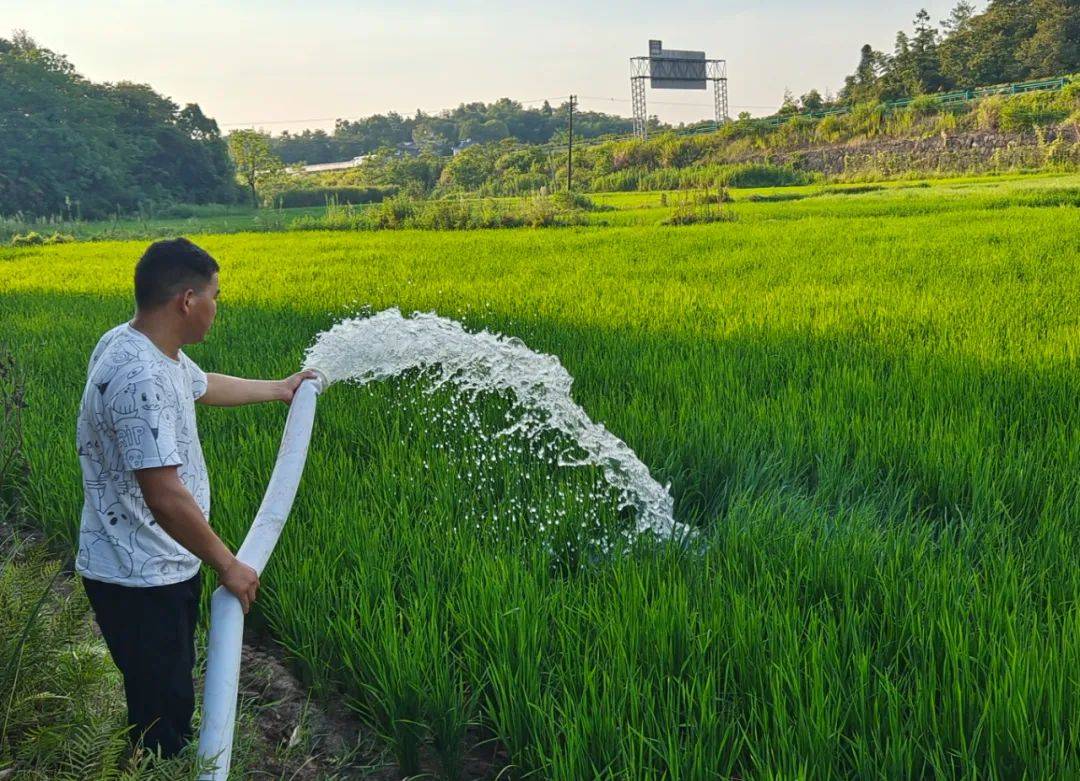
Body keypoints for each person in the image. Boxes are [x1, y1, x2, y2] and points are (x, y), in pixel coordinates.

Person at [75, 237, 315, 758]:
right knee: (163, 711)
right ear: (187, 300)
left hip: (142, 564)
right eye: (215, 295)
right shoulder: (141, 377)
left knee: (158, 690)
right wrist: (228, 564)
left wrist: (281, 388)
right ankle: (156, 765)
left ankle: (149, 755)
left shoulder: (138, 345)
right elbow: (163, 495)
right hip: (140, 576)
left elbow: (202, 386)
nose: (216, 306)